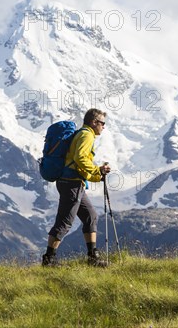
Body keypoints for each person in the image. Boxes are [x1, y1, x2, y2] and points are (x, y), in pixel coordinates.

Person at [42, 108, 111, 267]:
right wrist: (97, 170)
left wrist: (97, 175)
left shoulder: (83, 134)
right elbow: (80, 158)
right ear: (94, 122)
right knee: (65, 222)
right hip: (71, 183)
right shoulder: (87, 135)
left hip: (73, 182)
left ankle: (93, 257)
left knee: (91, 216)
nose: (103, 127)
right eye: (102, 123)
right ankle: (49, 259)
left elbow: (79, 164)